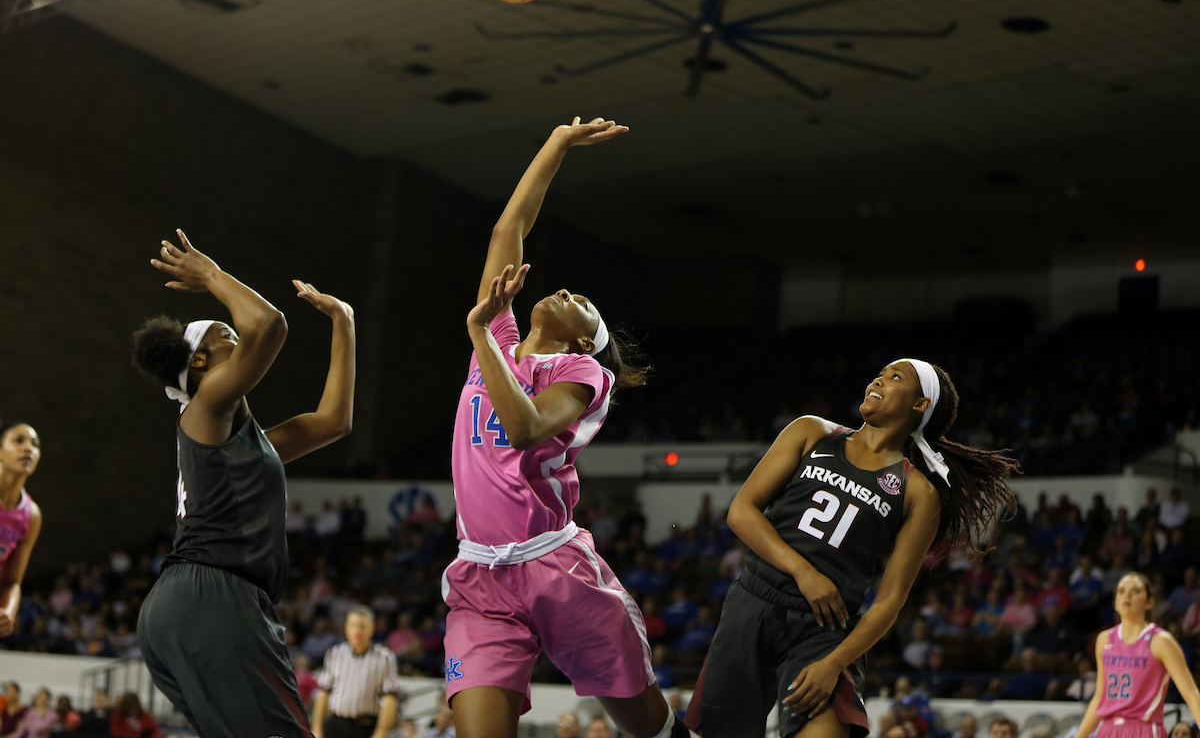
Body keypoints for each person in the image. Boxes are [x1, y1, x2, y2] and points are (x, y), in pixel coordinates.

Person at [441, 117, 684, 738]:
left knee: (648, 727)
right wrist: (555, 144)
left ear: (585, 338)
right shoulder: (499, 338)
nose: (570, 291)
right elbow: (508, 231)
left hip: (558, 569)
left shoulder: (579, 370)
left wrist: (477, 332)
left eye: (584, 304)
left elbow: (523, 430)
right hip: (480, 575)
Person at [685, 359, 1019, 738]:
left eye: (896, 377)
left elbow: (890, 602)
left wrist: (834, 663)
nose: (879, 378)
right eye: (881, 373)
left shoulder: (918, 492)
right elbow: (742, 512)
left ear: (920, 404)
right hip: (753, 605)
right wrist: (804, 572)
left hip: (823, 631)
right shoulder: (812, 432)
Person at [132, 229, 356, 738]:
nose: (241, 336)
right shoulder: (205, 406)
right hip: (212, 597)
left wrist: (344, 322)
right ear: (201, 364)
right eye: (226, 336)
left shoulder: (247, 440)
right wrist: (210, 274)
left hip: (196, 603)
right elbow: (270, 324)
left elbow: (333, 422)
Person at [1075, 572, 1200, 738]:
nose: (1127, 595)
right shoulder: (1104, 640)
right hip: (1108, 729)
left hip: (1144, 729)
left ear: (1149, 602)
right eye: (1121, 591)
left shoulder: (1161, 641)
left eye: (1135, 591)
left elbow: (1191, 694)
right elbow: (1099, 697)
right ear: (1116, 603)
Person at [312, 606, 402, 738]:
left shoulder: (385, 658)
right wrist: (316, 728)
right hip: (337, 724)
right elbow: (323, 692)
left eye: (362, 626)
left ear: (372, 629)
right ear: (346, 628)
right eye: (353, 625)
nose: (357, 631)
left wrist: (381, 732)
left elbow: (389, 699)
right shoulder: (335, 653)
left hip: (366, 727)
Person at [0, 421, 43, 639]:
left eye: (35, 444)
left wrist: (8, 611)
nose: (28, 448)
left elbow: (12, 581)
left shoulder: (31, 515)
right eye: (18, 441)